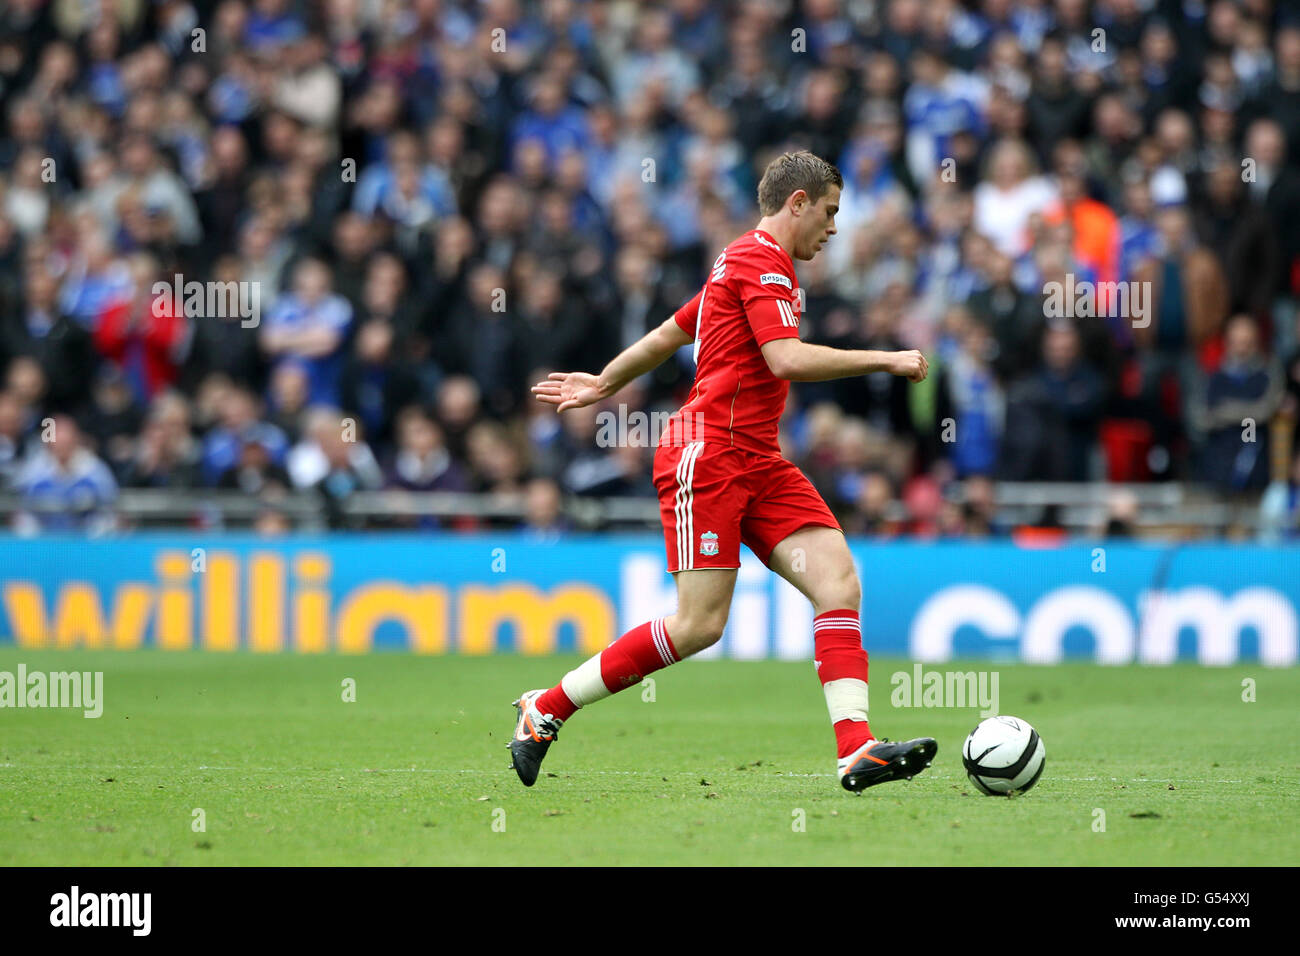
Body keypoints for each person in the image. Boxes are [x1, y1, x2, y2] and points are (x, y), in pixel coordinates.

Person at [511, 150, 936, 793]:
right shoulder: (758, 261)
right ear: (798, 203)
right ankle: (546, 707)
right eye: (829, 211)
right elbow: (786, 359)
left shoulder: (740, 264)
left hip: (759, 458)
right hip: (706, 455)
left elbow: (666, 335)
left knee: (837, 581)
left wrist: (604, 380)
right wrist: (887, 359)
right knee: (700, 624)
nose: (834, 226)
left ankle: (856, 748)